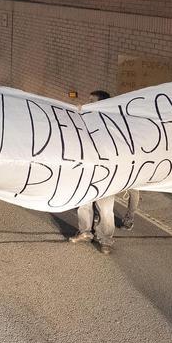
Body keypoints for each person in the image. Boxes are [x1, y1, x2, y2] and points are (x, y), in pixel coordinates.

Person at [69, 89, 122, 253]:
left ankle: (105, 240)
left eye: (92, 101)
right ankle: (85, 232)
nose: (87, 104)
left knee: (105, 209)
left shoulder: (111, 123)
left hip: (106, 171)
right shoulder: (85, 118)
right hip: (87, 168)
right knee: (83, 203)